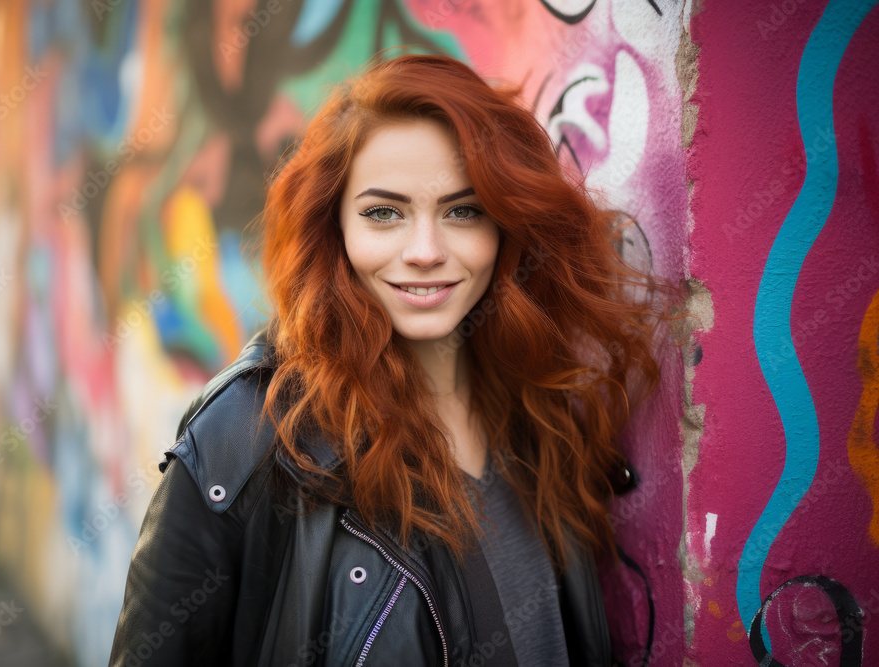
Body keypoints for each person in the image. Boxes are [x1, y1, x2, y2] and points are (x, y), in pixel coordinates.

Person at [109, 51, 678, 667]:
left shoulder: (538, 410)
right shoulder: (249, 437)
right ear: (335, 229)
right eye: (384, 213)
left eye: (464, 210)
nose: (426, 251)